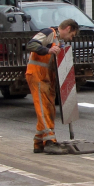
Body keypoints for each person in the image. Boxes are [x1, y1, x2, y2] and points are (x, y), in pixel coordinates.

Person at [26, 18, 79, 155]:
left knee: (49, 109)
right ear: (68, 28)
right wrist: (47, 50)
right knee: (43, 109)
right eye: (72, 35)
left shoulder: (58, 41)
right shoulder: (49, 32)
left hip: (47, 77)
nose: (71, 39)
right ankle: (50, 142)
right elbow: (31, 45)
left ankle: (39, 142)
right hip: (37, 74)